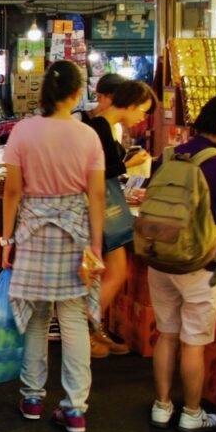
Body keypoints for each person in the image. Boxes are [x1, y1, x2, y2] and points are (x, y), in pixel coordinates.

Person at [1, 60, 105, 432]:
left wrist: (6, 240)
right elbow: (95, 195)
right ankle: (75, 409)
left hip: (32, 232)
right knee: (74, 318)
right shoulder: (88, 136)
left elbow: (12, 191)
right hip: (76, 235)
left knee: (37, 318)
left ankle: (31, 398)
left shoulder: (23, 131)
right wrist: (96, 246)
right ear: (78, 94)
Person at [148, 96, 216, 432]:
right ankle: (192, 412)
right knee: (194, 343)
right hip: (199, 266)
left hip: (160, 259)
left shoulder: (170, 154)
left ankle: (162, 406)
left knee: (167, 335)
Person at [85, 80, 156, 358]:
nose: (142, 117)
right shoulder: (99, 127)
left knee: (107, 272)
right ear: (130, 103)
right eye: (142, 110)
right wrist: (130, 164)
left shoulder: (104, 127)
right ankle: (86, 331)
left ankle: (92, 330)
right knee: (107, 272)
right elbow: (96, 172)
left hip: (105, 206)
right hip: (100, 208)